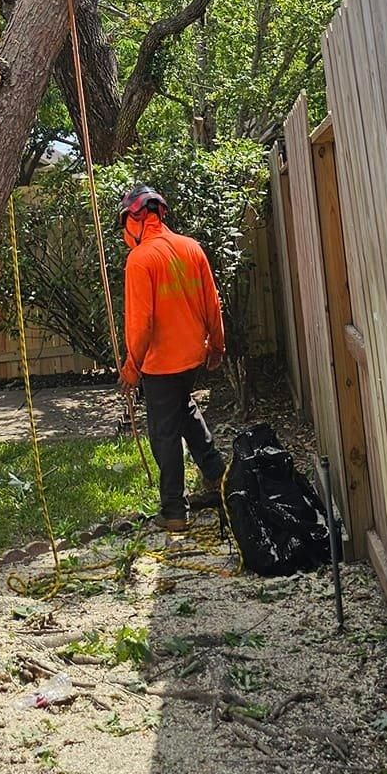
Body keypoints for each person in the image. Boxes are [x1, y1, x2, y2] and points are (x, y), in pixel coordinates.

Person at [117, 184, 226, 533]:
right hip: (192, 358)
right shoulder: (191, 249)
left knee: (164, 434)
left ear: (135, 219)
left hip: (160, 364)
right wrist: (217, 347)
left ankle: (174, 511)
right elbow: (213, 304)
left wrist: (132, 367)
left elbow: (141, 323)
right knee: (186, 411)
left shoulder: (140, 260)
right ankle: (215, 474)